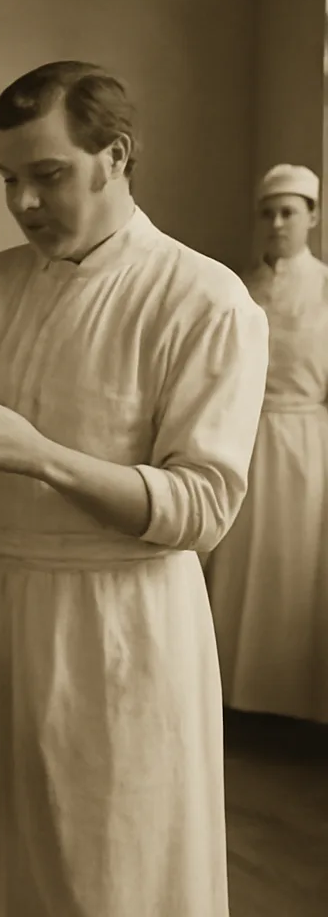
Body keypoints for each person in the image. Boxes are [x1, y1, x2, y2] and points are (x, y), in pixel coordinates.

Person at [0, 61, 270, 917]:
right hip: (4, 613)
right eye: (8, 180)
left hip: (126, 627)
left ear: (117, 156)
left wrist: (42, 457)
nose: (23, 203)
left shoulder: (204, 299)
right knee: (1, 855)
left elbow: (204, 510)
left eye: (48, 175)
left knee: (114, 864)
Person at [206, 163, 328, 723]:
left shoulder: (325, 288)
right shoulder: (242, 289)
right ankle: (233, 702)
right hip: (245, 436)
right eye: (269, 213)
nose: (278, 223)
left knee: (296, 569)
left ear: (313, 217)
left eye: (290, 212)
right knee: (237, 570)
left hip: (307, 448)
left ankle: (297, 710)